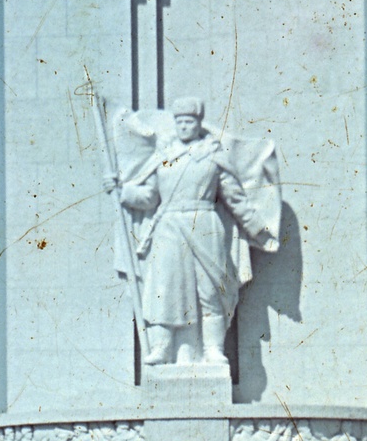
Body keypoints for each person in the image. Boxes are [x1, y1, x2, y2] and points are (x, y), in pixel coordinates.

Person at [107, 97, 279, 367]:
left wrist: (259, 230)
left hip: (205, 227)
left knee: (210, 290)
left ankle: (213, 349)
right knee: (165, 290)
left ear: (199, 124)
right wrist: (124, 191)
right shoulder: (164, 158)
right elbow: (150, 197)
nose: (184, 126)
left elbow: (235, 200)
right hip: (169, 227)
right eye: (180, 122)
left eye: (190, 121)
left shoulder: (213, 156)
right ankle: (162, 348)